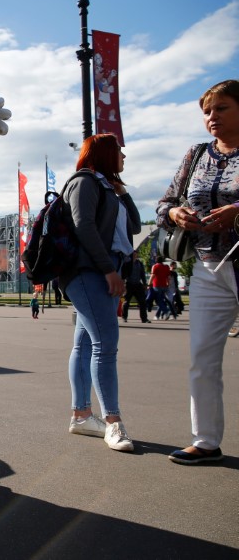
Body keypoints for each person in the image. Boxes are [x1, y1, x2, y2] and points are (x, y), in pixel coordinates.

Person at [157, 79, 239, 465]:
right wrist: (177, 213)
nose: (212, 117)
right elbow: (166, 203)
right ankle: (205, 440)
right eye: (207, 111)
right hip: (207, 266)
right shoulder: (197, 154)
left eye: (221, 108)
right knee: (202, 357)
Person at [59, 133, 141, 453]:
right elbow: (83, 226)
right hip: (88, 272)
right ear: (105, 154)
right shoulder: (84, 182)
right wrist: (108, 269)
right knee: (105, 345)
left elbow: (133, 226)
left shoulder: (109, 188)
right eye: (119, 152)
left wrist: (124, 193)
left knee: (84, 344)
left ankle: (81, 416)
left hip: (105, 270)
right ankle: (112, 422)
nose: (123, 157)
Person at [121, 252, 150, 324]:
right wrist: (123, 284)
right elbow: (123, 274)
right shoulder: (127, 263)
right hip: (129, 284)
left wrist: (145, 284)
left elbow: (142, 274)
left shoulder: (139, 263)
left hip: (137, 284)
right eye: (133, 254)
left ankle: (144, 318)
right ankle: (124, 317)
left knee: (142, 302)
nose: (135, 255)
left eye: (136, 254)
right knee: (126, 302)